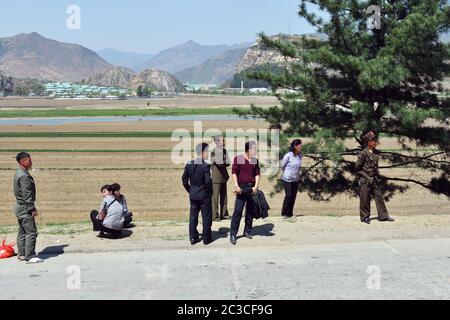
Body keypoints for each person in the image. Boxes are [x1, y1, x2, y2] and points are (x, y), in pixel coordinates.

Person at [355, 131, 395, 224]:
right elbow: (358, 169)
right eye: (374, 141)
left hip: (374, 180)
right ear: (369, 142)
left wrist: (377, 177)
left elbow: (375, 167)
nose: (376, 142)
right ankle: (365, 217)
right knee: (365, 199)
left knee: (379, 197)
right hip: (365, 180)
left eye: (376, 140)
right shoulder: (363, 154)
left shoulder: (376, 153)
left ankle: (383, 216)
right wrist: (367, 177)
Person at [13, 152, 43, 263]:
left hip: (19, 207)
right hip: (25, 208)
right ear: (23, 162)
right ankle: (30, 256)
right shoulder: (24, 176)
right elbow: (27, 194)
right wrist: (32, 208)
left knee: (22, 231)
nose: (31, 162)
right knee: (31, 232)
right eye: (29, 160)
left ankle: (21, 254)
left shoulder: (18, 172)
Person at [229, 141, 260, 245]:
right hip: (241, 188)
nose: (255, 151)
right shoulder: (239, 159)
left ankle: (247, 231)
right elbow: (234, 173)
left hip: (251, 188)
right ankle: (233, 234)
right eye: (254, 149)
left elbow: (257, 174)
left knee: (250, 211)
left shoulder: (255, 160)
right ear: (248, 149)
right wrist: (236, 186)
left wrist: (256, 186)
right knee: (237, 212)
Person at [182, 143, 213, 245]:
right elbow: (208, 181)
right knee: (206, 218)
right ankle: (206, 239)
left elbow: (184, 180)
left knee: (193, 217)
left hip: (193, 195)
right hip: (204, 196)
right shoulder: (205, 166)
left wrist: (190, 190)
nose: (207, 154)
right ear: (203, 152)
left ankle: (193, 238)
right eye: (207, 152)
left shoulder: (189, 164)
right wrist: (209, 192)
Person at [280, 139, 303, 218]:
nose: (301, 147)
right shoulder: (288, 155)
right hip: (287, 179)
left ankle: (290, 214)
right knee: (288, 195)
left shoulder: (300, 155)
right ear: (295, 146)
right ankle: (284, 213)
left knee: (293, 196)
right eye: (300, 145)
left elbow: (298, 167)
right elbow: (282, 165)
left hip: (295, 179)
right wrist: (287, 173)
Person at [211, 135, 231, 221]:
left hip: (224, 177)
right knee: (215, 197)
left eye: (224, 141)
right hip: (216, 177)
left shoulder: (225, 151)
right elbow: (220, 163)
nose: (224, 142)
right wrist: (224, 162)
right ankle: (215, 216)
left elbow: (228, 162)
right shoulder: (213, 151)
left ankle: (224, 214)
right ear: (217, 142)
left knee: (224, 197)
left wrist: (223, 162)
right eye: (222, 141)